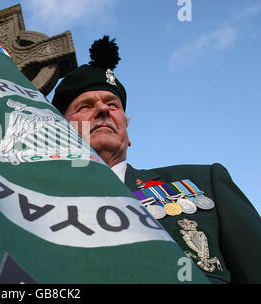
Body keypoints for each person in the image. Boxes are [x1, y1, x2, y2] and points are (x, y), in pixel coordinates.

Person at [51, 35, 261, 284]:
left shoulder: (204, 181)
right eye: (85, 106)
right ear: (62, 135)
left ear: (127, 135)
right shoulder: (40, 204)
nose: (103, 109)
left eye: (113, 104)